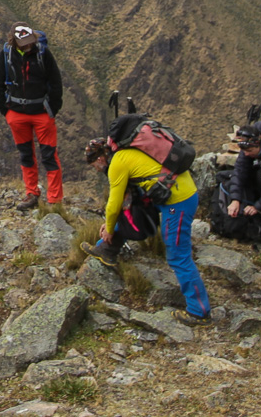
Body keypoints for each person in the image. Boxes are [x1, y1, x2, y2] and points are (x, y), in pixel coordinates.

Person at [86, 132, 209, 324]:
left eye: (94, 165)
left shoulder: (117, 163)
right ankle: (106, 249)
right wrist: (112, 225)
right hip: (171, 193)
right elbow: (126, 204)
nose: (96, 170)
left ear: (100, 158)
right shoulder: (128, 153)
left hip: (178, 201)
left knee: (178, 255)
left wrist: (109, 227)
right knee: (134, 211)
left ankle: (199, 311)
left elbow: (113, 204)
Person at [0, 24, 64, 210]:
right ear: (14, 41)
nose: (28, 46)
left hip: (42, 114)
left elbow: (56, 82)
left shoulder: (43, 54)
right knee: (26, 155)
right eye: (23, 44)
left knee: (49, 155)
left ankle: (55, 199)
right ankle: (31, 193)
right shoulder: (7, 55)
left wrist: (51, 110)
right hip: (16, 114)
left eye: (30, 42)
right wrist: (6, 111)